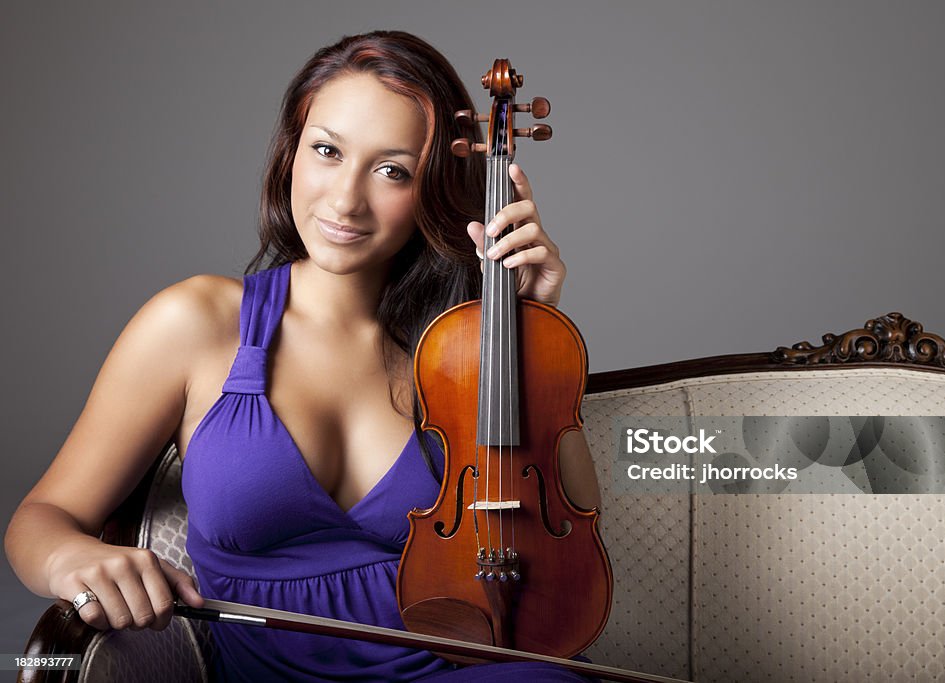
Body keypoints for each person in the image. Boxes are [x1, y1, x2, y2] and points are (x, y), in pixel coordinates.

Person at [5, 30, 601, 682]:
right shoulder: (197, 322)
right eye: (327, 151)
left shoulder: (458, 351)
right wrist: (69, 558)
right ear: (291, 154)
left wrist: (533, 331)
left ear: (432, 188)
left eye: (391, 170)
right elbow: (42, 518)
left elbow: (564, 546)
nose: (346, 199)